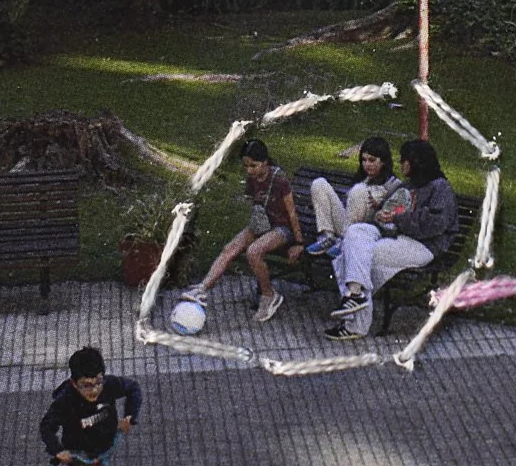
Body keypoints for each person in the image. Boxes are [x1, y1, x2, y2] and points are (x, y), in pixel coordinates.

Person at [325, 138, 456, 340]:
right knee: (355, 232)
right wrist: (380, 212)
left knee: (362, 255)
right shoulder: (409, 184)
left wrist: (397, 218)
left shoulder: (440, 188)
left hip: (423, 245)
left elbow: (436, 223)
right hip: (393, 234)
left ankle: (355, 324)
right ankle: (355, 294)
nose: (402, 164)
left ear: (417, 162)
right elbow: (389, 207)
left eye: (405, 160)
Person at [179, 138, 304, 322]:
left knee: (254, 252)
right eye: (246, 166)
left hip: (282, 229)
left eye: (254, 165)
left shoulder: (279, 179)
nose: (249, 170)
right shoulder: (252, 179)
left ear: (265, 162)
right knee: (230, 248)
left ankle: (269, 296)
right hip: (262, 225)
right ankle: (202, 289)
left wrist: (299, 243)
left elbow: (292, 213)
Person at [39, 344, 141, 466]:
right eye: (87, 385)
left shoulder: (110, 385)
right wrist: (58, 451)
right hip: (78, 450)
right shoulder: (65, 401)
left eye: (98, 382)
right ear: (74, 384)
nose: (94, 390)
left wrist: (130, 415)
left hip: (105, 442)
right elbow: (47, 427)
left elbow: (133, 389)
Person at [305, 134, 406, 257]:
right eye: (364, 160)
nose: (367, 164)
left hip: (367, 231)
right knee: (319, 183)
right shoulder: (363, 179)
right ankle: (327, 237)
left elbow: (393, 216)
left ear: (383, 161)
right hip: (347, 225)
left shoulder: (394, 184)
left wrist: (380, 205)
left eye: (372, 160)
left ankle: (345, 242)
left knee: (359, 189)